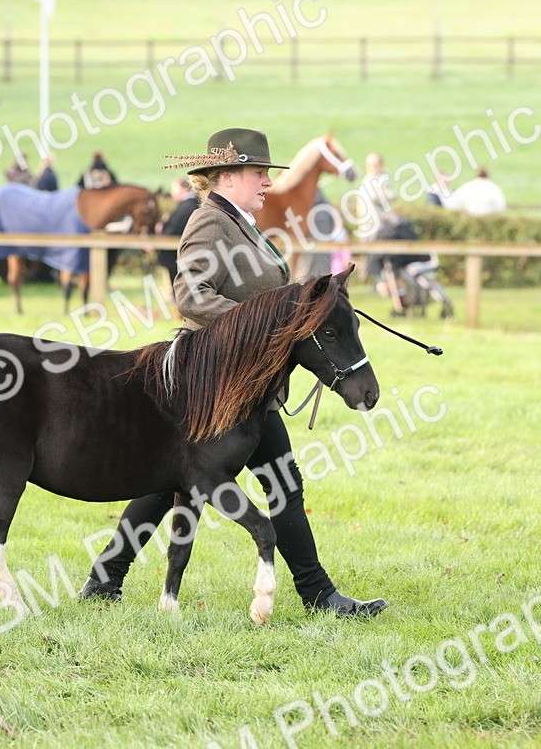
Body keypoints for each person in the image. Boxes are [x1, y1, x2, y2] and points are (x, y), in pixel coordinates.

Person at [80, 127, 388, 619]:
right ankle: (318, 595)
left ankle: (105, 580)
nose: (267, 182)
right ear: (228, 176)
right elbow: (192, 295)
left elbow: (263, 295)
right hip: (216, 383)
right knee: (268, 482)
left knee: (179, 479)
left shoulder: (244, 223)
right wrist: (263, 332)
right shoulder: (209, 222)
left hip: (245, 384)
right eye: (259, 173)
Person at [156, 176, 197, 297]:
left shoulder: (188, 206)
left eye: (174, 188)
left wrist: (161, 235)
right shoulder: (187, 205)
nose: (172, 193)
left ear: (183, 188)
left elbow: (175, 229)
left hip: (178, 252)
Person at [439, 168, 505, 216]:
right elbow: (500, 208)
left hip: (469, 221)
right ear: (488, 176)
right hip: (488, 221)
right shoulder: (495, 189)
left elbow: (454, 204)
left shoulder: (466, 187)